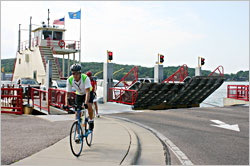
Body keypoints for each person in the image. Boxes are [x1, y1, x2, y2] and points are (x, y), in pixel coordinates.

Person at [65, 64, 95, 131]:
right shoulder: (70, 79)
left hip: (87, 93)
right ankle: (77, 135)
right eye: (73, 73)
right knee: (77, 114)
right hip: (79, 94)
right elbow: (68, 93)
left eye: (76, 74)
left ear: (80, 73)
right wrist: (66, 104)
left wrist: (86, 103)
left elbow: (87, 92)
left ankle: (91, 120)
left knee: (89, 105)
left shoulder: (85, 78)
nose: (75, 75)